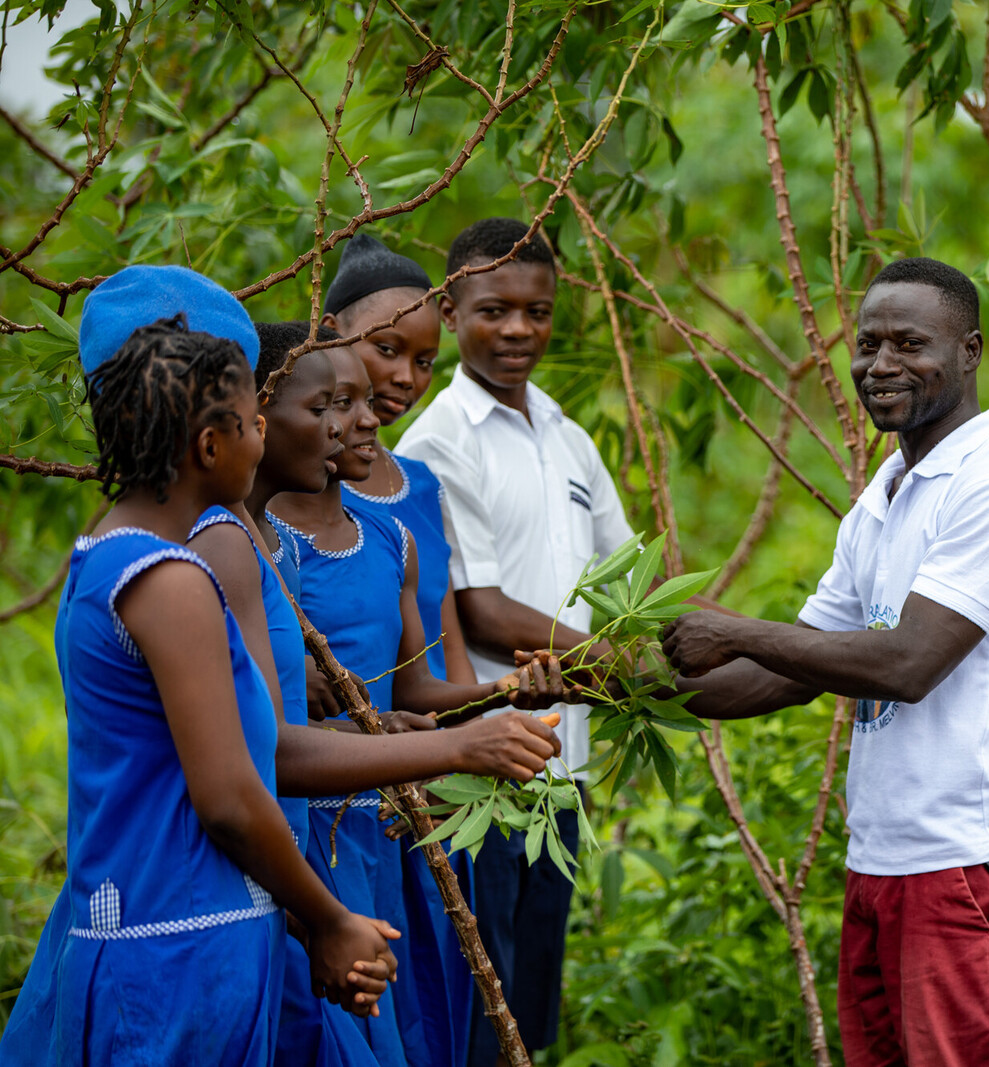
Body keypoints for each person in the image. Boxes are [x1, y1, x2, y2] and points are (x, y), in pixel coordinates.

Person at [660, 257, 989, 1066]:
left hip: (966, 862)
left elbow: (906, 663)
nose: (881, 365)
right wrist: (620, 685)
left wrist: (735, 628)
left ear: (969, 350)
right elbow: (790, 673)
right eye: (868, 344)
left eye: (910, 343)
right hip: (885, 857)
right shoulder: (884, 496)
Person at [0, 309, 398, 1065]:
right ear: (210, 445)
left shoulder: (107, 559)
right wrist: (327, 918)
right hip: (176, 961)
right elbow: (228, 798)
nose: (260, 438)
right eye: (252, 421)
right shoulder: (171, 580)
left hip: (190, 942)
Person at [197, 320, 572, 1067]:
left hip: (386, 822)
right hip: (306, 836)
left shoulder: (379, 536)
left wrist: (491, 701)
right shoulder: (234, 546)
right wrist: (458, 743)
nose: (361, 422)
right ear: (258, 420)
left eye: (361, 402)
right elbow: (263, 746)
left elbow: (405, 690)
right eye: (334, 404)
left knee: (413, 1022)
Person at [396, 218, 634, 1063]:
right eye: (494, 310)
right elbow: (485, 610)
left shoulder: (567, 437)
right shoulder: (434, 443)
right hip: (480, 777)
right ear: (451, 309)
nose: (518, 331)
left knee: (532, 1005)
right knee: (479, 1006)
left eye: (537, 311)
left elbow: (624, 576)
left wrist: (656, 649)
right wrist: (616, 664)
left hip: (559, 774)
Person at [322, 234, 473, 684]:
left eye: (424, 362)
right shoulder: (301, 483)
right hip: (343, 740)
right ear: (330, 332)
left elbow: (450, 645)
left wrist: (482, 730)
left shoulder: (423, 485)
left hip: (441, 736)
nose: (406, 378)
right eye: (386, 349)